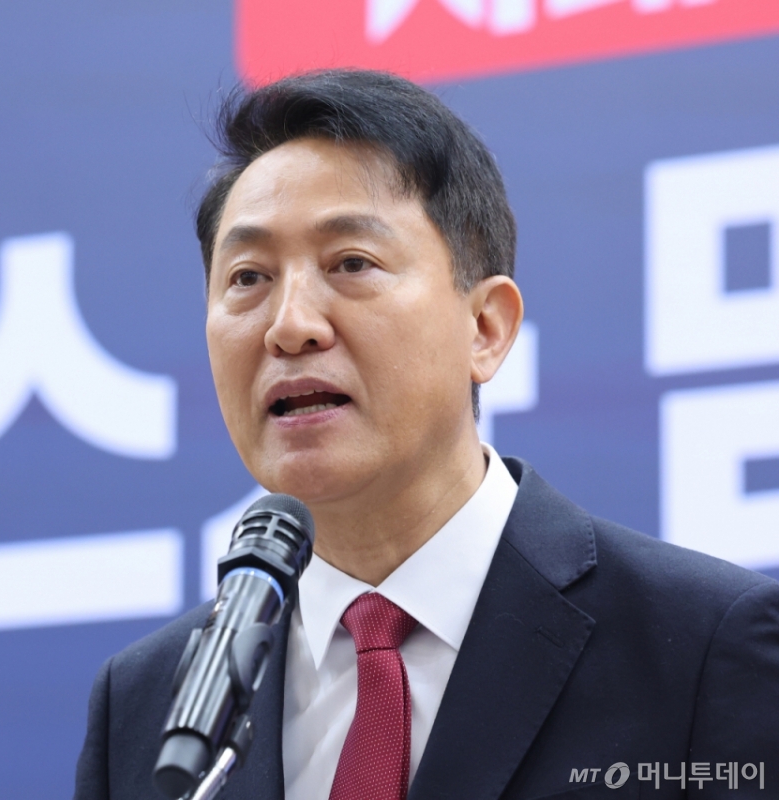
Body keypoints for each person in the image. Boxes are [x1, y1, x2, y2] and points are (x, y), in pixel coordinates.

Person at [73, 70, 779, 800]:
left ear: (486, 328)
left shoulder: (702, 645)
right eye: (248, 277)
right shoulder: (147, 709)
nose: (290, 325)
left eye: (352, 263)